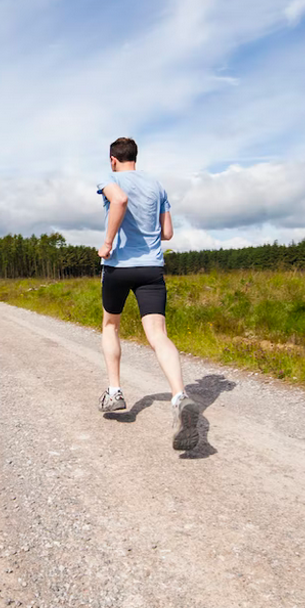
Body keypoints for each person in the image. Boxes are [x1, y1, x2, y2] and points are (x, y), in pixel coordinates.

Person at [96, 137, 198, 451]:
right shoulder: (157, 185)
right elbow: (167, 233)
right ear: (134, 158)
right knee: (158, 334)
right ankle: (180, 396)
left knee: (111, 325)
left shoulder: (109, 179)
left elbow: (120, 200)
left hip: (118, 267)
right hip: (151, 268)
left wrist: (108, 242)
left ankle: (115, 392)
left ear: (113, 159)